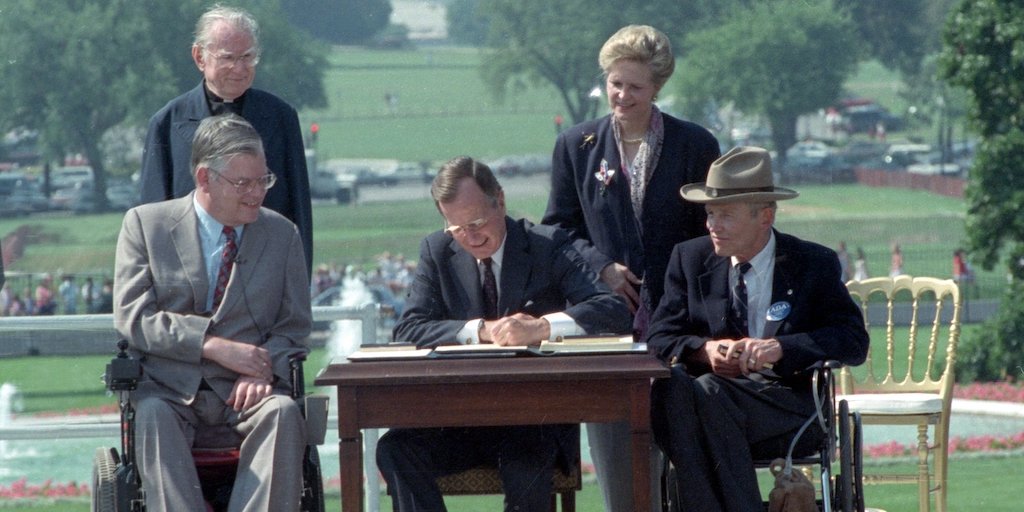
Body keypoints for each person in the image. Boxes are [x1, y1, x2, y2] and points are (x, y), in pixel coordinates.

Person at [377, 156, 631, 512]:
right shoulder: (437, 251)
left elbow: (613, 311)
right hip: (459, 421)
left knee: (526, 462)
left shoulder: (547, 244)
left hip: (533, 420)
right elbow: (408, 329)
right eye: (458, 228)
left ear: (501, 199)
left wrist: (541, 327)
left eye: (478, 221)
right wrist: (479, 330)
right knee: (395, 448)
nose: (472, 237)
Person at [540, 24, 719, 511]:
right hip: (607, 327)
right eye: (615, 83)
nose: (622, 95)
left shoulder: (695, 144)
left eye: (635, 87)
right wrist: (601, 268)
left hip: (680, 321)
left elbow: (713, 232)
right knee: (621, 467)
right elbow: (557, 230)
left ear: (657, 88)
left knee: (684, 455)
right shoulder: (575, 146)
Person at [645, 146, 869, 512]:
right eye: (710, 214)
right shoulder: (689, 259)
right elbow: (659, 339)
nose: (712, 226)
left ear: (765, 216)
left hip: (786, 404)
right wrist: (706, 351)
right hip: (709, 404)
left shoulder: (812, 263)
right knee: (677, 391)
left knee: (702, 394)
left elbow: (853, 341)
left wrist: (781, 348)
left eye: (725, 216)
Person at [113, 114, 311, 511]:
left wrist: (263, 368)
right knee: (150, 416)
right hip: (169, 391)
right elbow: (134, 317)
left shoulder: (281, 234)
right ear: (205, 179)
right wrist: (212, 346)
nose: (257, 193)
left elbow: (293, 327)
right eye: (243, 183)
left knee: (283, 413)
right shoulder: (146, 225)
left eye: (263, 180)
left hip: (247, 392)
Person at [139, 5, 313, 276]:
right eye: (228, 58)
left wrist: (300, 290)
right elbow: (152, 221)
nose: (239, 68)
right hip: (190, 281)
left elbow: (299, 211)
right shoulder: (167, 124)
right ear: (200, 57)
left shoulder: (281, 118)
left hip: (264, 277)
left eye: (247, 57)